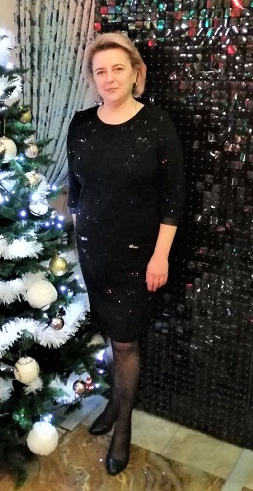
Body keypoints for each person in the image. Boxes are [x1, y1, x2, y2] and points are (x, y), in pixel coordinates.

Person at [67, 32, 185, 475]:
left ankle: (123, 426)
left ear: (136, 72)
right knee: (109, 334)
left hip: (137, 257)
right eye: (101, 71)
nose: (110, 77)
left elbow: (174, 197)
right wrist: (78, 237)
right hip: (93, 253)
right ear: (93, 78)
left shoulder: (155, 123)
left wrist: (161, 256)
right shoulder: (81, 124)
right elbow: (76, 191)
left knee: (125, 341)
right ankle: (115, 404)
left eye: (118, 68)